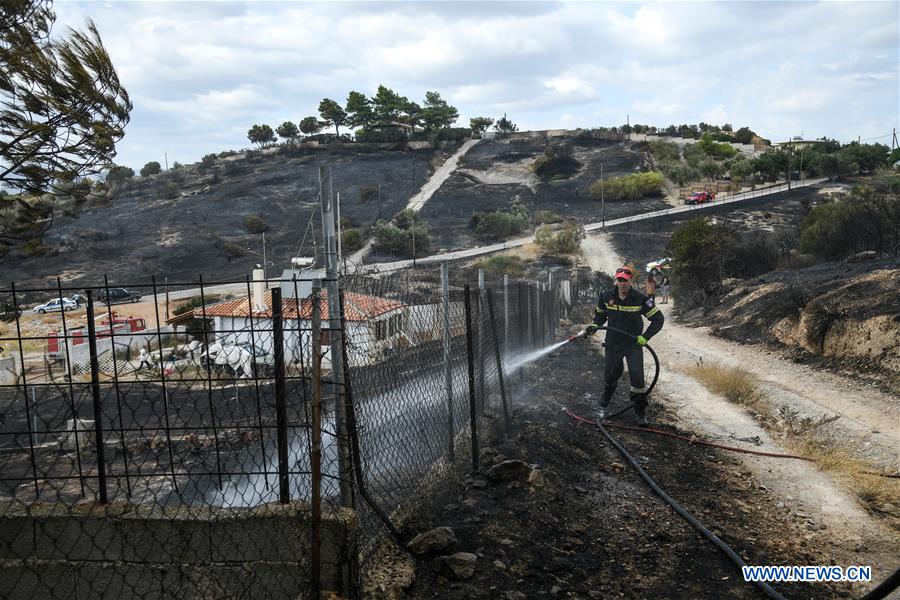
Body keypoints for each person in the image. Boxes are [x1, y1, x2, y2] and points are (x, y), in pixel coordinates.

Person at [585, 266, 665, 426]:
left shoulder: (640, 299)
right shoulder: (606, 296)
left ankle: (639, 412)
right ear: (616, 280)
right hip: (613, 344)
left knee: (637, 378)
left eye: (625, 280)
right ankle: (607, 393)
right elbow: (600, 316)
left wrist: (645, 337)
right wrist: (594, 325)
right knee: (611, 374)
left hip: (633, 344)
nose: (622, 283)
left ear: (630, 281)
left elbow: (658, 319)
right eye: (619, 280)